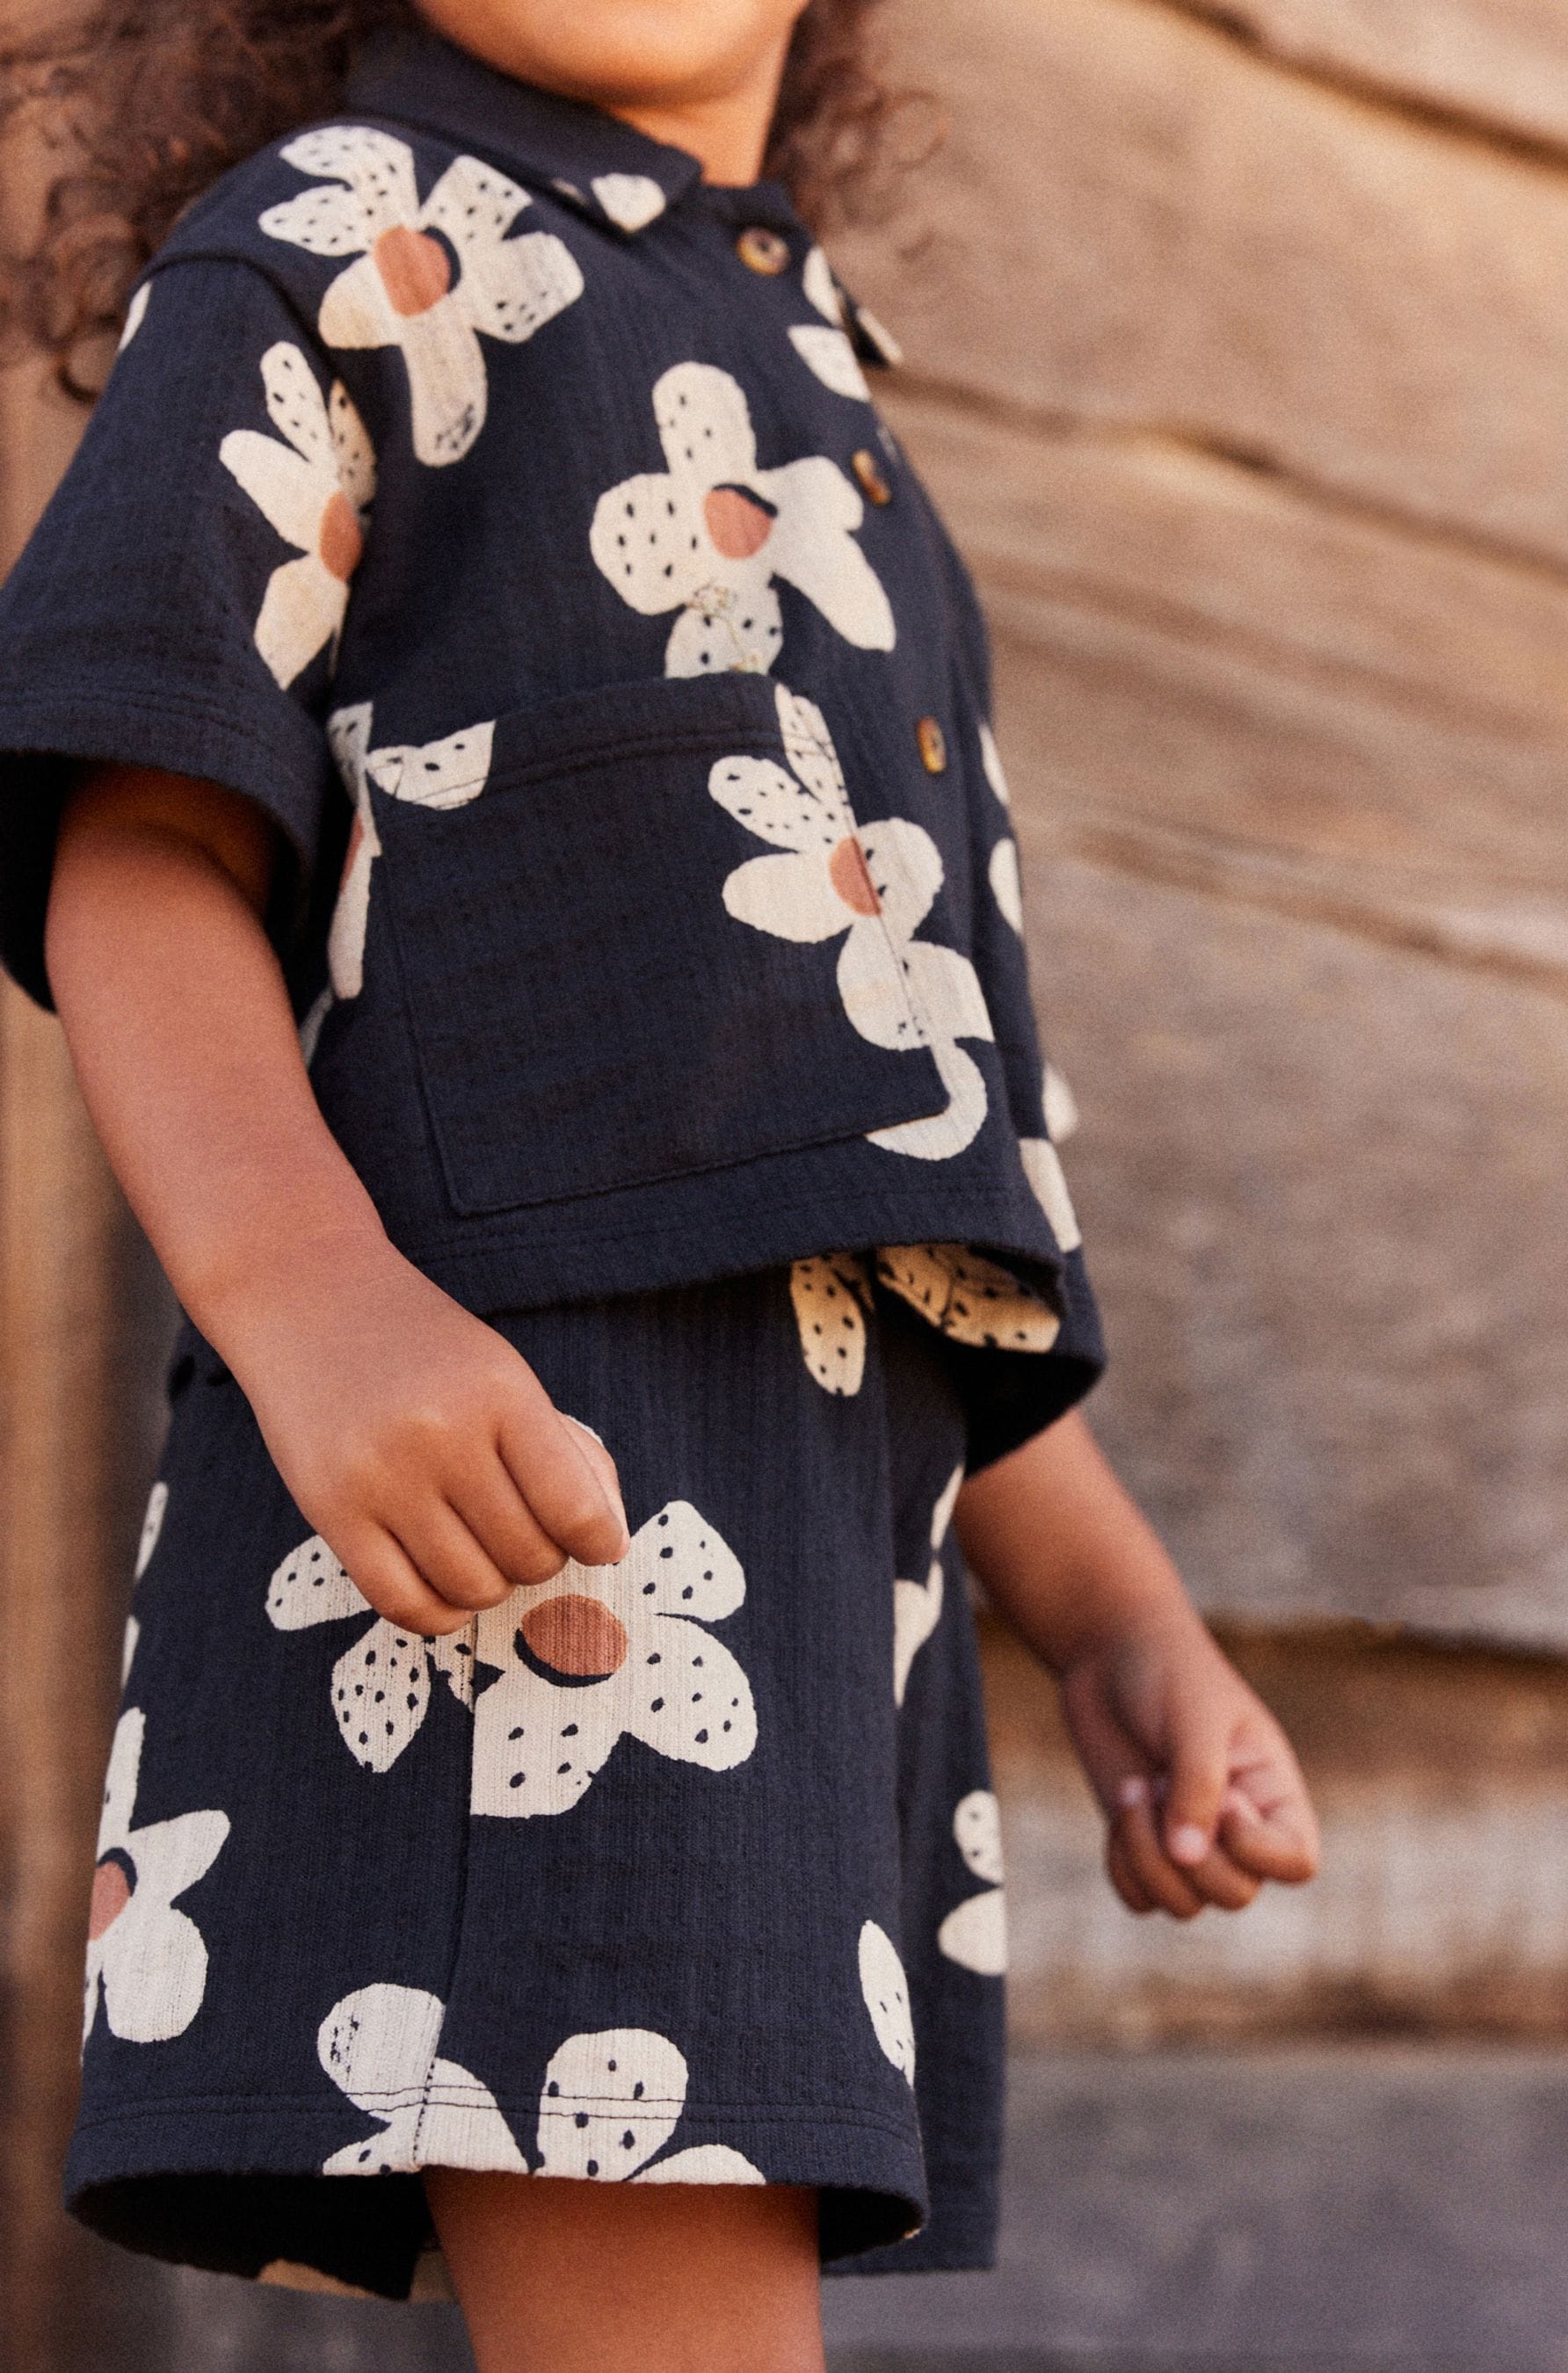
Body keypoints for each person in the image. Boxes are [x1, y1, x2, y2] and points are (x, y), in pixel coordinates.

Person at [0, 4, 1321, 2367]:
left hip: (812, 1623)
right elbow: (137, 840)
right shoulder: (340, 246)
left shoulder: (830, 405)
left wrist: (1118, 1614)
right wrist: (306, 1289)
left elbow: (882, 1177)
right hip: (540, 1553)